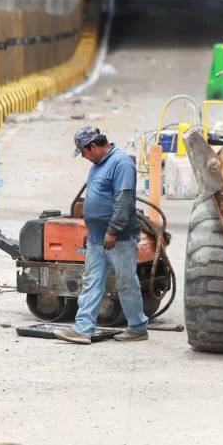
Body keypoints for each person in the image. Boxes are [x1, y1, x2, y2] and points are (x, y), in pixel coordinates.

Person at [54, 126, 148, 344]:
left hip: (119, 238)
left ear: (93, 147)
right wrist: (92, 229)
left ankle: (137, 327)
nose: (84, 157)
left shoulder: (121, 163)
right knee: (91, 282)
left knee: (126, 283)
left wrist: (113, 230)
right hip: (97, 238)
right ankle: (83, 329)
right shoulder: (97, 164)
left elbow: (123, 200)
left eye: (84, 152)